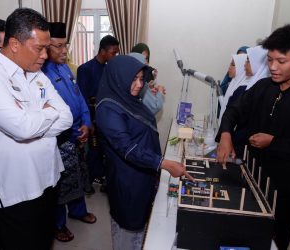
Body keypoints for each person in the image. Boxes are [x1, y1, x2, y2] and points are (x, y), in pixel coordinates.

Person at [0, 8, 73, 250]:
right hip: (14, 188)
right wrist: (46, 112)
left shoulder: (35, 72)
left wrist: (35, 117)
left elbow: (66, 116)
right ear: (14, 44)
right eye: (40, 48)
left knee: (43, 243)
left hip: (48, 178)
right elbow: (22, 128)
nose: (45, 55)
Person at [216, 24, 290, 250]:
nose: (273, 67)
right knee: (239, 233)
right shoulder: (264, 86)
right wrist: (225, 135)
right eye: (269, 60)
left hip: (286, 190)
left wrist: (274, 143)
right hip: (250, 176)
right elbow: (233, 111)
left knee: (273, 241)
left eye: (281, 61)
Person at [95, 55, 193, 250]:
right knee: (128, 227)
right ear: (118, 77)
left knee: (141, 223)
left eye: (141, 79)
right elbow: (127, 147)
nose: (140, 84)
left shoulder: (128, 98)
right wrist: (164, 164)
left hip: (142, 172)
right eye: (134, 79)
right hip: (127, 178)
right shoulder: (107, 109)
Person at [42, 22, 96, 242]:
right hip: (60, 138)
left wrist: (86, 122)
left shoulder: (64, 67)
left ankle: (78, 211)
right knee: (61, 182)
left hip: (76, 135)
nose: (64, 51)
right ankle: (58, 224)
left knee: (79, 175)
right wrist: (75, 131)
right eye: (58, 46)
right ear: (45, 47)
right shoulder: (40, 73)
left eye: (66, 45)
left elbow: (79, 96)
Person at [77, 35, 120, 192]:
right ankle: (87, 180)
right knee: (93, 150)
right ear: (103, 51)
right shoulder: (85, 69)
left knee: (106, 150)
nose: (115, 56)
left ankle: (103, 178)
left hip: (108, 117)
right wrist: (89, 121)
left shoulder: (110, 69)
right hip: (92, 115)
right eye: (113, 52)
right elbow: (81, 98)